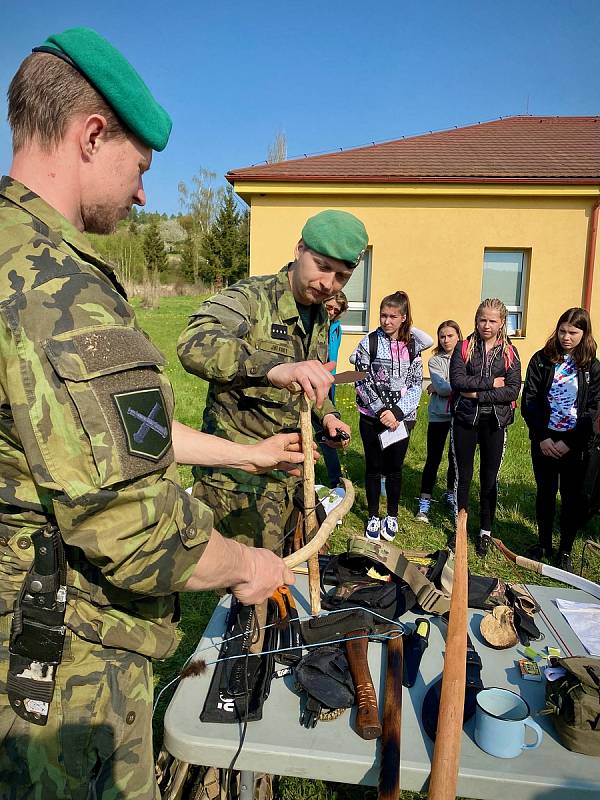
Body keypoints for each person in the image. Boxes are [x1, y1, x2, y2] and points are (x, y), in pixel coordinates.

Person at [0, 28, 298, 799]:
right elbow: (138, 529)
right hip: (64, 673)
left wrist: (248, 454)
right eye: (140, 167)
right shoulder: (58, 290)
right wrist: (247, 565)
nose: (141, 194)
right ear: (91, 135)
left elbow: (100, 439)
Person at [177, 210, 367, 552]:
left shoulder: (321, 316)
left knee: (283, 582)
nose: (328, 284)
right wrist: (274, 367)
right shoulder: (251, 298)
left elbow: (311, 385)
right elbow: (195, 342)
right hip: (237, 484)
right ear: (299, 250)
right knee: (245, 593)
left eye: (342, 276)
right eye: (322, 266)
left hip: (291, 477)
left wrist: (328, 417)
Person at [521, 308, 600, 572]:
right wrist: (542, 436)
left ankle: (565, 549)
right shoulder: (542, 360)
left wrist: (571, 442)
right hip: (545, 439)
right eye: (562, 331)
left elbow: (593, 409)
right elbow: (530, 400)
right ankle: (543, 543)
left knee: (571, 497)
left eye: (573, 332)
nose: (566, 337)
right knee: (545, 493)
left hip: (574, 444)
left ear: (584, 333)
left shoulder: (592, 367)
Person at [354, 291, 432, 541]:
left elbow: (415, 383)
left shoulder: (412, 346)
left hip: (401, 419)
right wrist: (381, 411)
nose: (386, 321)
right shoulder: (369, 343)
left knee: (395, 469)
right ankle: (374, 516)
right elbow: (361, 380)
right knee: (374, 468)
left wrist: (397, 413)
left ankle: (393, 515)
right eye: (383, 315)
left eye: (393, 316)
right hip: (371, 416)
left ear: (403, 318)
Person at [450, 298, 521, 556]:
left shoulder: (510, 353)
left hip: (495, 422)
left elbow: (512, 390)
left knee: (489, 478)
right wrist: (492, 383)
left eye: (492, 321)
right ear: (476, 319)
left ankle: (485, 532)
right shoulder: (464, 347)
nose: (486, 325)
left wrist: (478, 394)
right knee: (464, 476)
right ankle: (460, 527)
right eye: (482, 319)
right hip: (465, 421)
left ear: (502, 322)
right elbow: (458, 381)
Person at [416, 320, 462, 523]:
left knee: (455, 458)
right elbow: (443, 388)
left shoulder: (467, 358)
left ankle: (451, 495)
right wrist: (459, 386)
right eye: (442, 336)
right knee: (433, 458)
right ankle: (425, 500)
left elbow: (448, 385)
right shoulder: (435, 361)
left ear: (458, 336)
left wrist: (446, 385)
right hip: (438, 415)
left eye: (450, 335)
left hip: (460, 415)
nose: (446, 340)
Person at [320, 291, 349, 487]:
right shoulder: (315, 325)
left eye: (336, 310)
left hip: (328, 385)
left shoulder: (336, 328)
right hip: (309, 382)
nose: (331, 312)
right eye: (328, 307)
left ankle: (335, 482)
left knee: (330, 432)